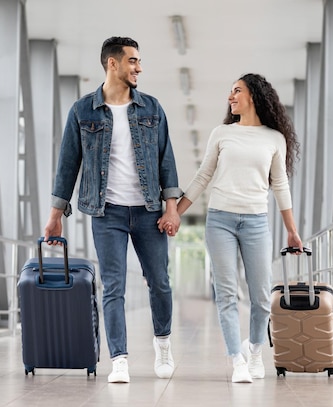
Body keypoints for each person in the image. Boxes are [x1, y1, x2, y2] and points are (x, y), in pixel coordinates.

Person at [44, 36, 182, 384]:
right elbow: (67, 165)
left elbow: (167, 161)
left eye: (139, 61)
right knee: (113, 287)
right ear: (113, 64)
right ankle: (119, 358)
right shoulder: (82, 111)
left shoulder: (151, 108)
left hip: (150, 211)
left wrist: (172, 209)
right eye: (133, 61)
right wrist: (55, 216)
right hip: (107, 213)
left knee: (160, 283)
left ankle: (163, 343)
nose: (139, 68)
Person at [161, 73, 303, 383]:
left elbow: (280, 185)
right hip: (220, 221)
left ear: (254, 95)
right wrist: (176, 213)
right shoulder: (221, 134)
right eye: (230, 91)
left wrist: (292, 230)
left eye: (236, 91)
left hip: (256, 222)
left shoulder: (273, 138)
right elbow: (202, 177)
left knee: (261, 296)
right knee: (225, 293)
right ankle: (236, 360)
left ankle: (254, 351)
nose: (231, 96)